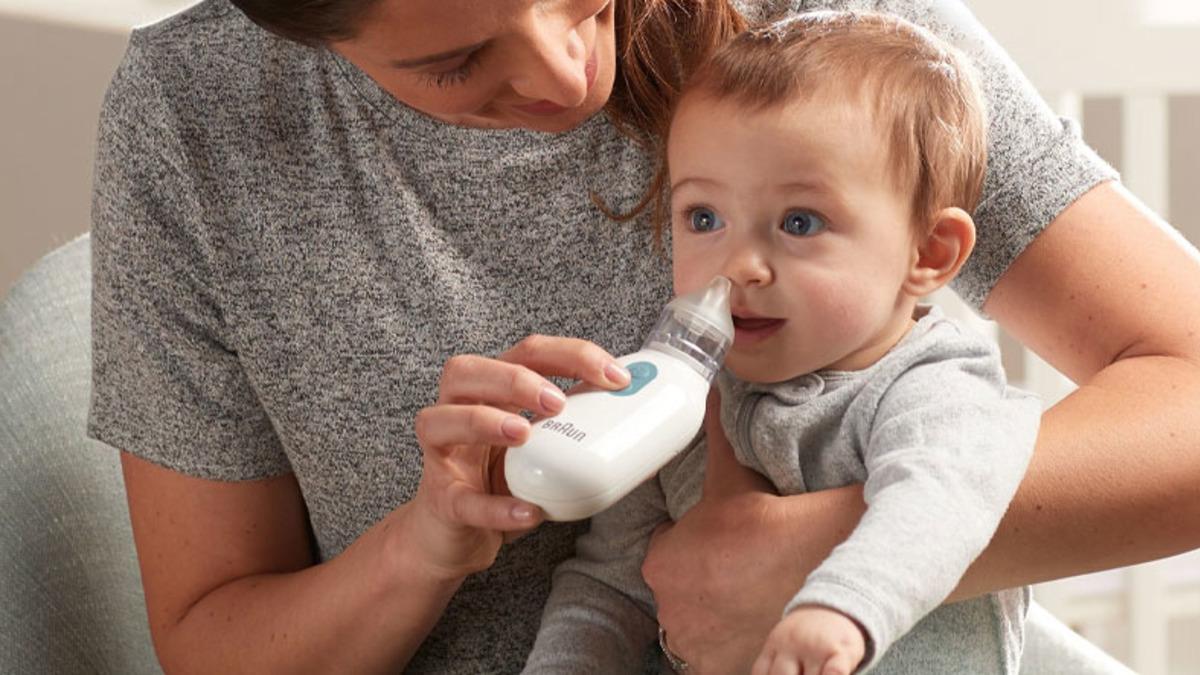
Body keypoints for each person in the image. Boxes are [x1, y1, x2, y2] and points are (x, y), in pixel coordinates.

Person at [86, 0, 1200, 672]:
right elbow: (212, 638)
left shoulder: (837, 44)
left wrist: (826, 564)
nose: (568, 71)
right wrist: (426, 543)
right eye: (455, 61)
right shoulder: (199, 114)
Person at [523, 12, 1041, 674]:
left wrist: (844, 607)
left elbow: (943, 494)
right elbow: (610, 583)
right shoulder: (686, 401)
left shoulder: (931, 383)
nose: (739, 264)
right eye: (703, 217)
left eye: (800, 222)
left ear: (929, 252)